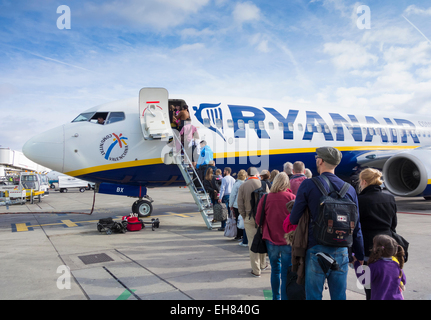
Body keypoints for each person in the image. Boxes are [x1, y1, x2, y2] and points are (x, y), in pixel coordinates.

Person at [289, 146, 365, 300]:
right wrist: (360, 254)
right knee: (338, 295)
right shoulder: (349, 189)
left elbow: (293, 219)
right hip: (342, 249)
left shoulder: (309, 185)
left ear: (321, 161)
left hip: (316, 248)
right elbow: (356, 227)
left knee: (314, 296)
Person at [357, 168, 398, 299]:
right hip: (387, 244)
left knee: (369, 286)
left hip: (368, 247)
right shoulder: (390, 198)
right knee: (389, 283)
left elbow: (357, 226)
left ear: (364, 181)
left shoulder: (359, 200)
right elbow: (393, 225)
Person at [255, 172, 296, 300]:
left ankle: (275, 297)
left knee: (275, 270)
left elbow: (258, 220)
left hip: (271, 240)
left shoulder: (266, 198)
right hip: (287, 241)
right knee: (285, 274)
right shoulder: (292, 197)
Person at [237, 167, 270, 278]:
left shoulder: (243, 186)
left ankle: (256, 270)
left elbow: (240, 204)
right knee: (262, 240)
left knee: (252, 243)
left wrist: (244, 216)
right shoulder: (263, 184)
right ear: (257, 174)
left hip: (249, 217)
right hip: (262, 217)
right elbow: (269, 200)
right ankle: (262, 264)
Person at [354, 234, 406, 300]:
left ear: (376, 249)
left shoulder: (375, 266)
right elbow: (403, 280)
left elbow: (364, 280)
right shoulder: (396, 264)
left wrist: (356, 264)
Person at [229, 169, 248, 245]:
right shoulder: (246, 183)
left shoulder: (237, 184)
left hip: (237, 205)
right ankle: (244, 235)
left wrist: (230, 205)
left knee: (237, 220)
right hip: (244, 205)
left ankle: (238, 235)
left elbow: (233, 195)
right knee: (243, 220)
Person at [217, 167, 236, 231]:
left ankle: (223, 226)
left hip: (225, 196)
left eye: (224, 171)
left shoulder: (224, 179)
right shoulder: (233, 179)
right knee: (231, 212)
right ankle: (231, 226)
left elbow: (222, 189)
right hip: (231, 196)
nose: (223, 172)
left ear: (227, 172)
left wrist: (220, 198)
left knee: (223, 212)